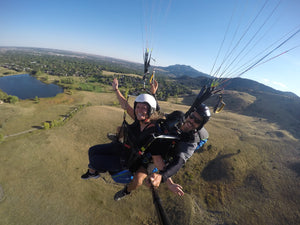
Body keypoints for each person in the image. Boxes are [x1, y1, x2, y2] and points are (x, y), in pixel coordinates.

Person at [113, 104, 210, 200]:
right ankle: (117, 141)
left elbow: (178, 162)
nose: (192, 121)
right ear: (189, 115)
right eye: (192, 117)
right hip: (149, 143)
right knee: (121, 130)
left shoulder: (190, 142)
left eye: (197, 121)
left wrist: (164, 178)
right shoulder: (177, 118)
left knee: (138, 180)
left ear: (200, 125)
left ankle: (126, 191)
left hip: (155, 158)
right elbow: (159, 115)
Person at [81, 78, 158, 181]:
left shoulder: (152, 130)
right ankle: (93, 173)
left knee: (95, 161)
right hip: (121, 148)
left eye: (144, 108)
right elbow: (125, 105)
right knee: (92, 150)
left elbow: (159, 155)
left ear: (150, 110)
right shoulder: (138, 119)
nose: (139, 110)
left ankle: (97, 169)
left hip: (127, 160)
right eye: (138, 107)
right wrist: (116, 90)